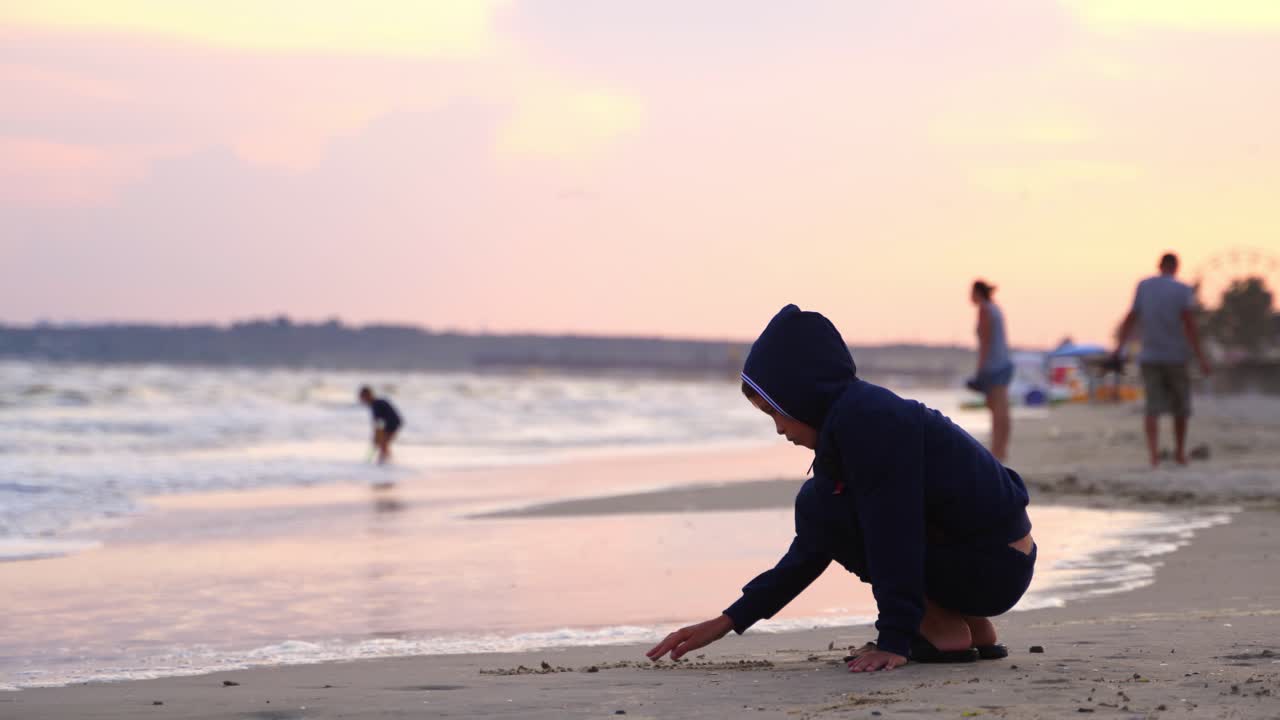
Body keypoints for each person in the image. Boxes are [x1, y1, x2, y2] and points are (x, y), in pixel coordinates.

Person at [646, 305, 1036, 672]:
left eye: (775, 412)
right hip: (997, 563)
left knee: (819, 505)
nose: (780, 429)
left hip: (986, 565)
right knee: (824, 507)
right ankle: (971, 624)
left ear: (803, 393)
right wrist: (730, 619)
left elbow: (891, 531)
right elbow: (814, 548)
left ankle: (939, 629)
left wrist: (894, 638)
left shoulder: (867, 423)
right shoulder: (860, 415)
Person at [1114, 253, 1211, 467]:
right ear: (1176, 267)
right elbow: (1189, 324)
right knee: (1181, 407)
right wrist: (1201, 357)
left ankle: (1154, 457)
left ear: (1159, 266)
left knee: (1152, 407)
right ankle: (1179, 454)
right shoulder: (1182, 289)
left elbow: (1131, 318)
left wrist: (1119, 348)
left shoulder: (1144, 286)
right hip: (1176, 355)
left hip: (1149, 355)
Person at [966, 280, 1014, 461]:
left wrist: (980, 369)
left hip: (993, 365)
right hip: (1003, 362)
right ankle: (1001, 450)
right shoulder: (995, 308)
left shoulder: (985, 310)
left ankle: (997, 451)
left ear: (978, 292)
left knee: (997, 409)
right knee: (1002, 408)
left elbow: (985, 342)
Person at [358, 386, 402, 465]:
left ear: (367, 395)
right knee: (383, 443)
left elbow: (378, 423)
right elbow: (378, 423)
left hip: (393, 423)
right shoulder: (376, 403)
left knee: (383, 443)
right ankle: (386, 461)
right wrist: (377, 436)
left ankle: (384, 462)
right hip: (392, 423)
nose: (362, 400)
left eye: (363, 398)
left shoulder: (376, 404)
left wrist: (376, 436)